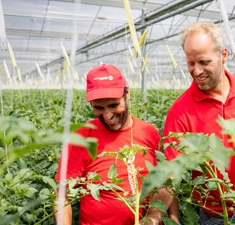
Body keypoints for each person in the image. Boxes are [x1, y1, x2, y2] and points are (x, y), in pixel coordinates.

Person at [163, 22, 235, 225]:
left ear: (223, 55)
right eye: (190, 63)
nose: (197, 71)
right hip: (216, 217)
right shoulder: (180, 111)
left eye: (203, 62)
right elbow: (171, 172)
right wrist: (162, 216)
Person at [54, 64, 173, 225]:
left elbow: (167, 180)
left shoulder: (149, 132)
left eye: (113, 105)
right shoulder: (81, 139)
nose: (108, 115)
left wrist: (163, 218)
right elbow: (63, 196)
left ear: (127, 94)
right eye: (98, 108)